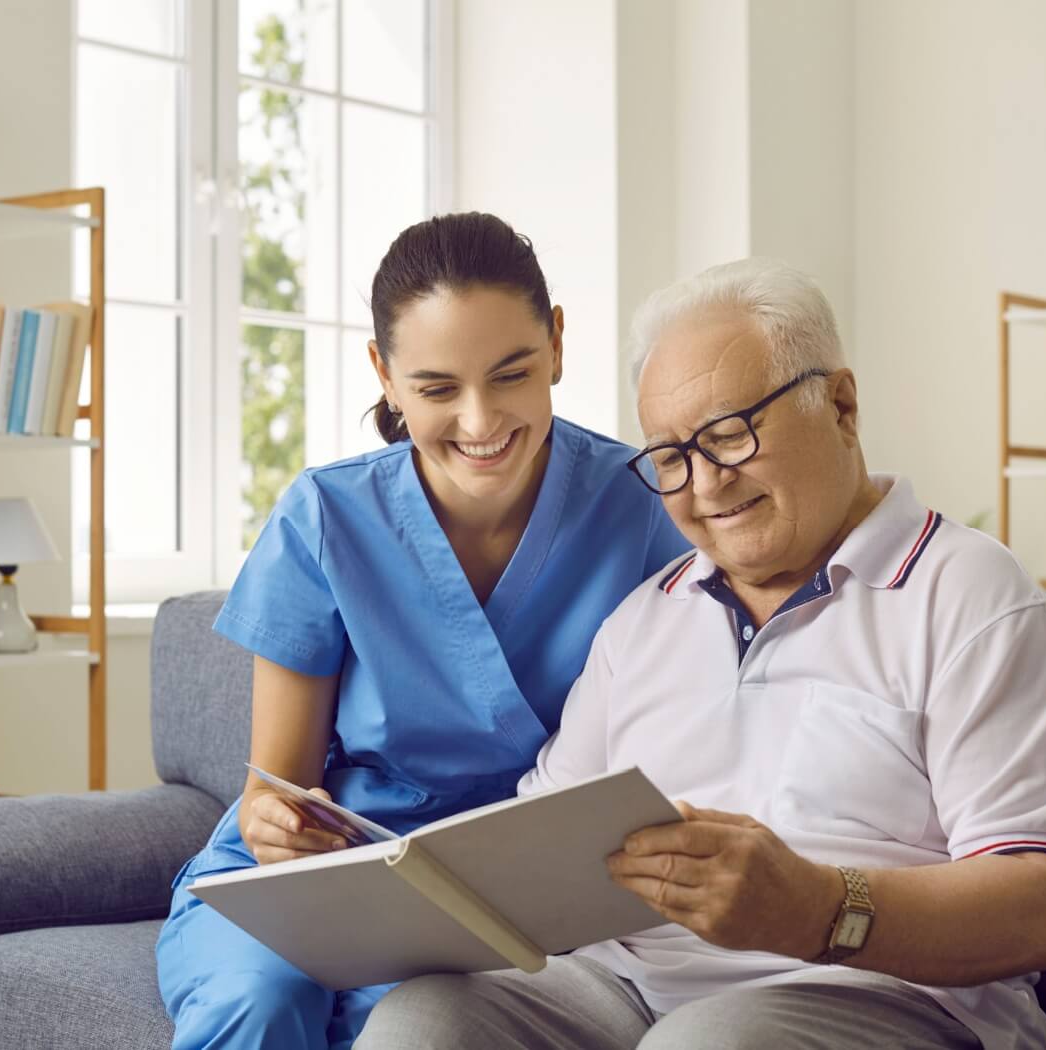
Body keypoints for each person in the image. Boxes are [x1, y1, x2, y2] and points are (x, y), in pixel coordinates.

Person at [356, 258, 1046, 1050]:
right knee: (422, 1020)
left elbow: (1042, 907)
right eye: (672, 458)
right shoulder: (643, 621)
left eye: (728, 436)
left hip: (876, 994)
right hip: (626, 989)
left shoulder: (972, 597)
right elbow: (544, 842)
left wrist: (820, 908)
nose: (705, 486)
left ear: (841, 405)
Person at [155, 212, 690, 1050]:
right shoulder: (326, 516)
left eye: (510, 374)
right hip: (324, 876)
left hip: (517, 892)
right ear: (385, 374)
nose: (480, 423)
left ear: (556, 342)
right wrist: (272, 820)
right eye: (438, 389)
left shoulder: (646, 506)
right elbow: (277, 790)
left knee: (418, 1021)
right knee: (257, 1003)